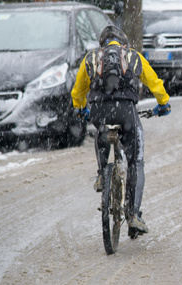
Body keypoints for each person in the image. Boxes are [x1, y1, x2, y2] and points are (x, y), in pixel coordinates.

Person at [71, 25, 171, 238]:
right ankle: (133, 214)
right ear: (123, 43)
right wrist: (163, 103)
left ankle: (101, 175)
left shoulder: (91, 58)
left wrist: (81, 109)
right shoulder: (133, 56)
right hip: (126, 112)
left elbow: (78, 89)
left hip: (100, 110)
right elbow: (154, 81)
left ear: (103, 43)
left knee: (102, 130)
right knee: (136, 160)